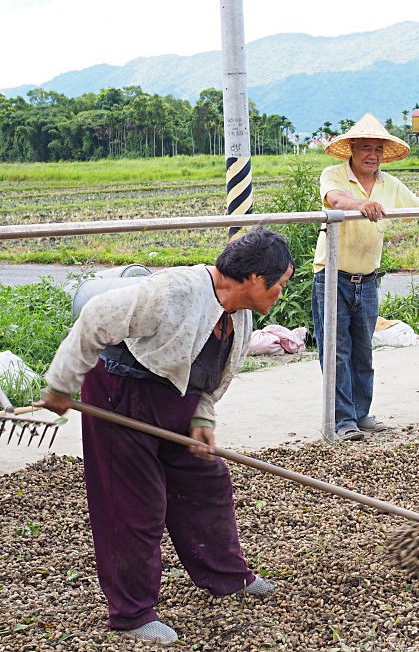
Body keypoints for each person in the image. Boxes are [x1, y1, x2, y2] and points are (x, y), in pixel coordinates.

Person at [38, 227, 295, 645]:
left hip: (176, 402)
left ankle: (226, 576)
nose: (280, 294)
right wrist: (61, 385)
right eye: (280, 285)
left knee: (206, 482)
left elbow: (212, 378)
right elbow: (96, 316)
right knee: (135, 504)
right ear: (252, 277)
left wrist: (202, 420)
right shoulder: (174, 290)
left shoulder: (241, 316)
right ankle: (132, 614)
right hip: (121, 395)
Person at [311, 113, 419, 441]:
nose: (372, 155)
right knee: (337, 350)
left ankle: (360, 414)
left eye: (378, 148)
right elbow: (335, 200)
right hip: (332, 276)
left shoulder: (388, 184)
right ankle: (341, 420)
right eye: (366, 148)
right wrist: (359, 204)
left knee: (363, 350)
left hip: (367, 279)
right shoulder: (333, 174)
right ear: (352, 149)